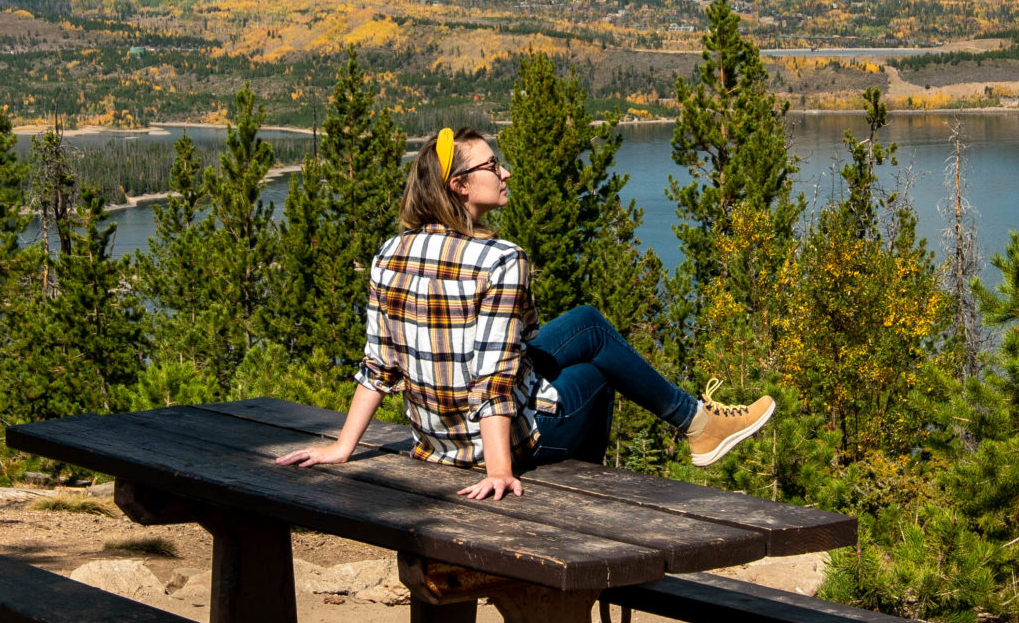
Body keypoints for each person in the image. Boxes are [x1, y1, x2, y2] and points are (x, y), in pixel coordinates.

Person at [275, 125, 774, 502]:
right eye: (493, 166)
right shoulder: (501, 259)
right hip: (494, 445)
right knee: (595, 376)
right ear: (460, 186)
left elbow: (378, 365)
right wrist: (497, 470)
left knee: (587, 324)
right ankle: (616, 484)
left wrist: (343, 447)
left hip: (435, 441)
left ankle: (697, 424)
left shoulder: (390, 253)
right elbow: (493, 377)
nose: (505, 172)